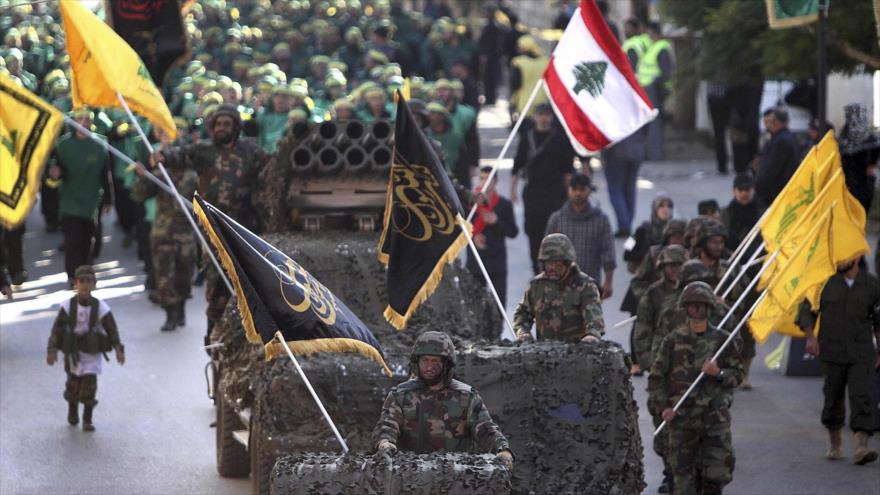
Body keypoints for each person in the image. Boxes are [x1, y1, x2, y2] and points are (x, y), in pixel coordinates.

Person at [150, 104, 268, 348]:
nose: (220, 128)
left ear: (236, 127)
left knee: (247, 284)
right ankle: (214, 332)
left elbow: (270, 172)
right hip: (214, 232)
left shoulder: (251, 152)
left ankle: (247, 334)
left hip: (244, 230)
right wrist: (162, 156)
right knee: (216, 284)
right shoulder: (204, 151)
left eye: (226, 124)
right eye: (217, 124)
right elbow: (179, 155)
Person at [649, 281, 744, 495]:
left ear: (709, 307)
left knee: (716, 477)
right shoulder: (672, 341)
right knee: (683, 480)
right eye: (692, 305)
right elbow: (657, 378)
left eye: (701, 305)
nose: (696, 309)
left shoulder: (723, 341)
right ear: (685, 307)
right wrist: (663, 407)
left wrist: (717, 373)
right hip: (682, 419)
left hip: (714, 419)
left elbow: (737, 375)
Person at [373, 331, 514, 470]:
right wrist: (385, 443)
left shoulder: (466, 397)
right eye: (424, 361)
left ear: (446, 364)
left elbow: (486, 430)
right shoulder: (401, 395)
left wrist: (502, 450)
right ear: (417, 362)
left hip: (455, 475)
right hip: (411, 474)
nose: (428, 367)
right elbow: (387, 426)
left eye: (434, 361)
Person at [799, 259, 880, 465]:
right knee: (832, 397)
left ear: (857, 257)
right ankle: (835, 443)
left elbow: (878, 320)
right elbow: (807, 310)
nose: (841, 260)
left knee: (862, 395)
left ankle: (861, 446)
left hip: (861, 352)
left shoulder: (871, 285)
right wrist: (810, 337)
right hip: (832, 351)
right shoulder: (823, 282)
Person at [46, 265, 125, 432]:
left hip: (91, 353)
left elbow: (112, 329)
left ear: (94, 284)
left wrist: (119, 349)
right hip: (73, 352)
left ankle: (87, 419)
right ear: (75, 284)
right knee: (73, 384)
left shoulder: (100, 307)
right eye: (81, 281)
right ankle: (72, 409)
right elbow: (57, 330)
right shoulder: (67, 306)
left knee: (89, 387)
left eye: (88, 281)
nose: (84, 285)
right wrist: (52, 350)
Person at [131, 164, 199, 332]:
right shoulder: (160, 175)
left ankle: (181, 305)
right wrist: (142, 177)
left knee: (184, 273)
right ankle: (170, 313)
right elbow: (139, 195)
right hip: (163, 233)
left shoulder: (193, 176)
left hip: (185, 232)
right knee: (164, 276)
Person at [50, 110, 113, 286]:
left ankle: (86, 275)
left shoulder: (100, 144)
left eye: (87, 119)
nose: (83, 123)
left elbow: (105, 174)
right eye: (80, 119)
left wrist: (109, 199)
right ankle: (72, 276)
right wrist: (56, 174)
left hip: (92, 201)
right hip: (70, 201)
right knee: (73, 241)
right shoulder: (63, 145)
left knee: (88, 240)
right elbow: (56, 171)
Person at [510, 103, 575, 274]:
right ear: (535, 117)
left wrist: (571, 196)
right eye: (540, 114)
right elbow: (517, 164)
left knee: (556, 232)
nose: (543, 118)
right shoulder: (527, 137)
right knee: (534, 233)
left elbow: (567, 170)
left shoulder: (560, 139)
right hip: (533, 193)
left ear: (552, 117)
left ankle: (557, 269)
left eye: (546, 115)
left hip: (556, 194)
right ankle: (537, 269)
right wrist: (513, 190)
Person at [513, 233, 605, 343]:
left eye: (557, 263)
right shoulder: (536, 285)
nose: (552, 268)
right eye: (548, 263)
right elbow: (522, 313)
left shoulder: (585, 286)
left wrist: (592, 335)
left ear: (567, 263)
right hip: (544, 350)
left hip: (576, 351)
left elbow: (594, 318)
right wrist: (523, 332)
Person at [544, 174, 615, 299]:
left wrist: (608, 282)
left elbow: (608, 251)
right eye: (574, 189)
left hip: (590, 284)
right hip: (561, 285)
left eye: (582, 189)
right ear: (569, 190)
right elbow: (546, 252)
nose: (578, 193)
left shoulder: (600, 219)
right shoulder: (557, 219)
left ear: (589, 191)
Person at [466, 166, 518, 312]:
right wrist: (473, 236)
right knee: (474, 305)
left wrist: (496, 222)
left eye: (488, 179)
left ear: (495, 182)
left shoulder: (504, 205)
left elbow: (513, 232)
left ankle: (497, 334)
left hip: (497, 263)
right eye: (481, 178)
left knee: (498, 305)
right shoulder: (470, 204)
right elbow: (460, 230)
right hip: (475, 263)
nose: (484, 183)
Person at [633, 245, 687, 371]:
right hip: (662, 356)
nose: (676, 270)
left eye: (680, 265)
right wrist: (647, 361)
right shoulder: (653, 293)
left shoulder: (693, 289)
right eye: (671, 266)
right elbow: (642, 328)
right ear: (663, 267)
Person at [603, 125, 647, 238]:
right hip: (636, 149)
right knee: (629, 188)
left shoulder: (614, 108)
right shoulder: (638, 108)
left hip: (617, 151)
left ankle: (624, 224)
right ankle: (626, 222)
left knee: (616, 189)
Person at [638, 22, 673, 161]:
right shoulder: (653, 47)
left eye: (649, 32)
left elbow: (666, 72)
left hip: (655, 90)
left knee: (655, 124)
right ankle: (651, 153)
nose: (647, 35)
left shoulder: (661, 48)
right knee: (651, 123)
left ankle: (656, 154)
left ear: (654, 32)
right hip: (649, 89)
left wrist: (654, 84)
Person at [754, 107, 800, 207]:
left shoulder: (780, 141)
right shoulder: (790, 137)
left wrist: (759, 186)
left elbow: (771, 169)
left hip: (777, 192)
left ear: (775, 122)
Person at [623, 194, 674, 272]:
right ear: (655, 209)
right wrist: (647, 254)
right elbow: (626, 253)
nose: (666, 209)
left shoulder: (675, 229)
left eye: (669, 206)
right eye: (661, 206)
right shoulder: (641, 229)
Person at [721, 173, 762, 251]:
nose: (744, 193)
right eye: (740, 189)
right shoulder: (725, 213)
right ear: (733, 191)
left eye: (747, 189)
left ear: (753, 190)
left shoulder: (762, 212)